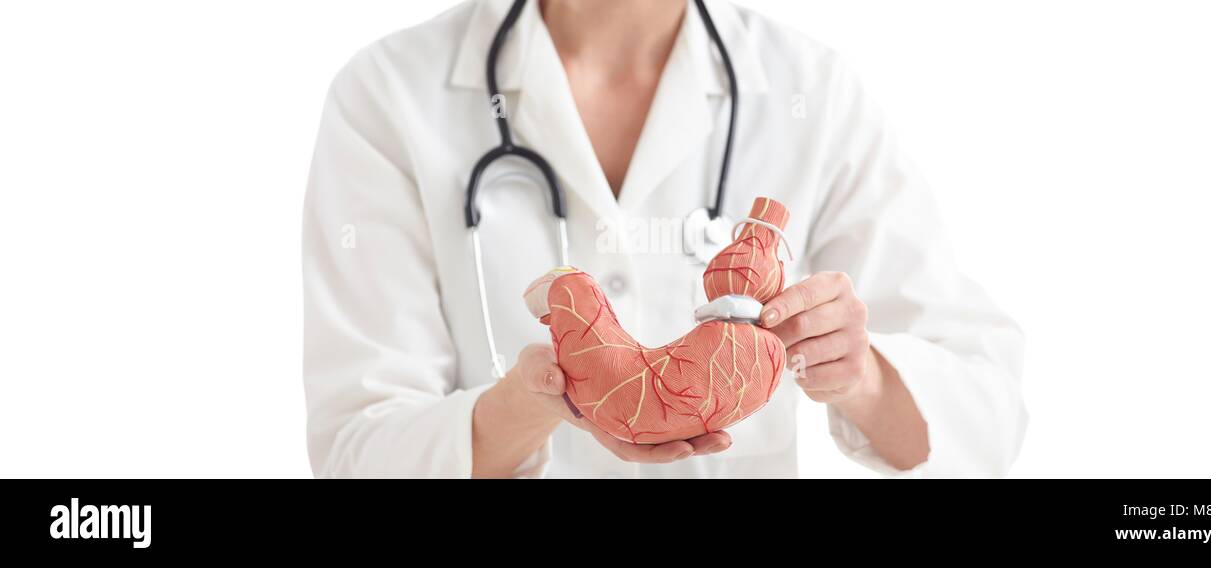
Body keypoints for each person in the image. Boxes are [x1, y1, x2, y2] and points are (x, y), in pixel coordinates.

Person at [302, 0, 1027, 478]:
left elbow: (987, 422)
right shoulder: (389, 95)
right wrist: (529, 404)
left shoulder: (815, 93)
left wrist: (860, 374)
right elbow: (356, 452)